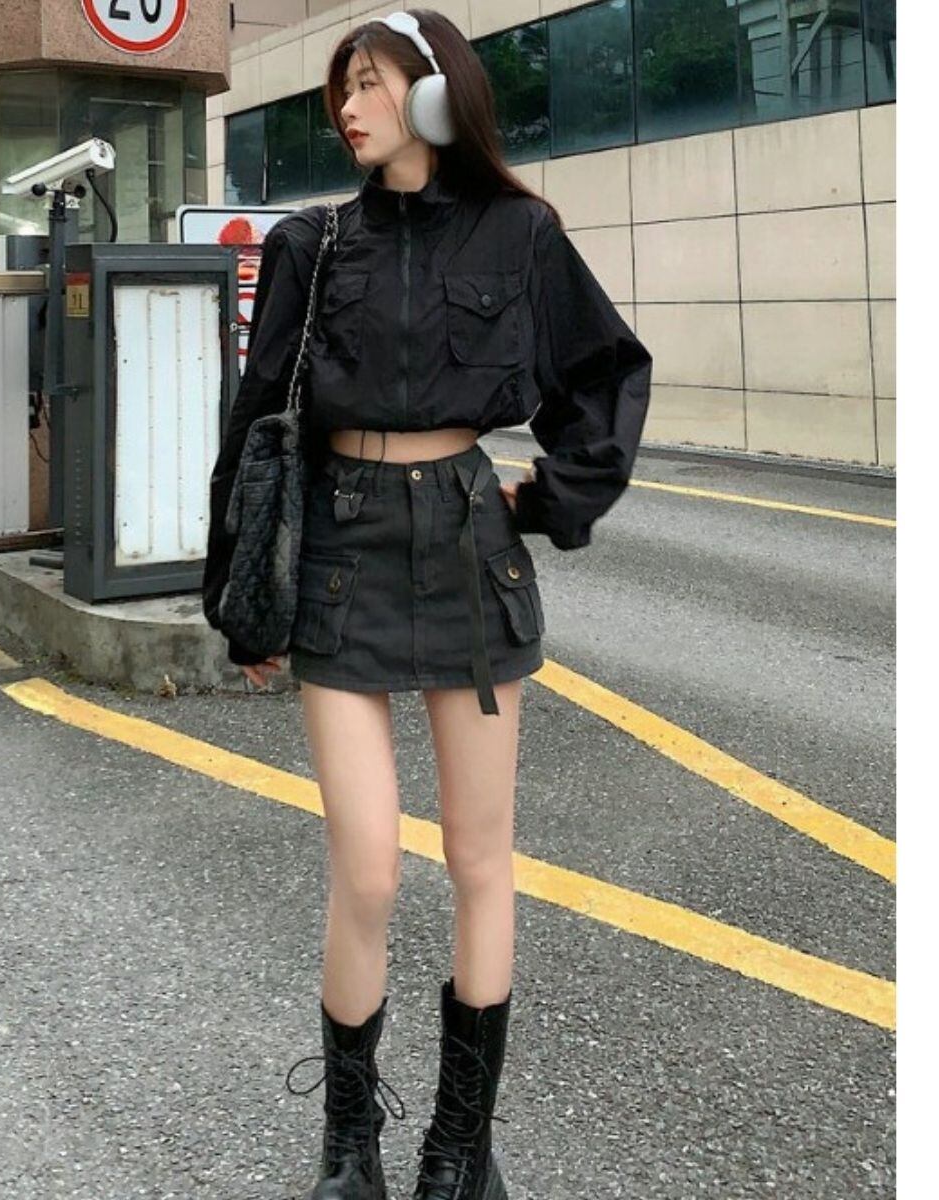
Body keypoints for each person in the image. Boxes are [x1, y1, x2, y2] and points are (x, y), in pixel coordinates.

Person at [202, 11, 653, 1198]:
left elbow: (605, 373)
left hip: (464, 544)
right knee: (367, 869)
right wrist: (240, 595)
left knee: (479, 860)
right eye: (341, 88)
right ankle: (348, 1146)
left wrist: (552, 496)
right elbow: (257, 423)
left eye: (368, 83)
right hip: (340, 550)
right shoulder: (312, 245)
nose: (348, 108)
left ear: (437, 93)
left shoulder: (520, 234)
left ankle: (459, 1153)